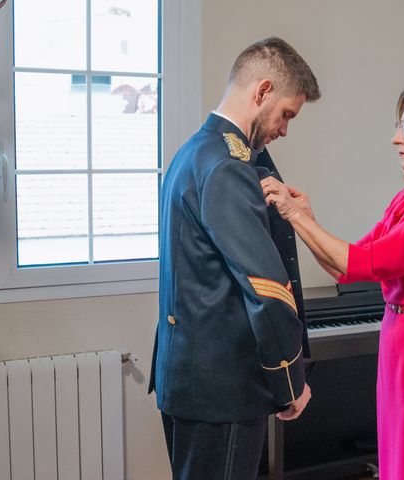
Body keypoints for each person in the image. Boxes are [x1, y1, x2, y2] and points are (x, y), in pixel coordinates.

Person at [261, 85, 404, 480]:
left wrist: (294, 215)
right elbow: (344, 269)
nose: (396, 138)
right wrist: (304, 217)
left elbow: (367, 263)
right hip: (400, 335)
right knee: (397, 464)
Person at [148, 37, 320, 480]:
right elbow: (266, 288)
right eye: (286, 114)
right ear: (262, 92)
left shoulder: (196, 152)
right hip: (221, 389)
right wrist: (291, 383)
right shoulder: (227, 167)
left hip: (191, 377)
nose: (285, 129)